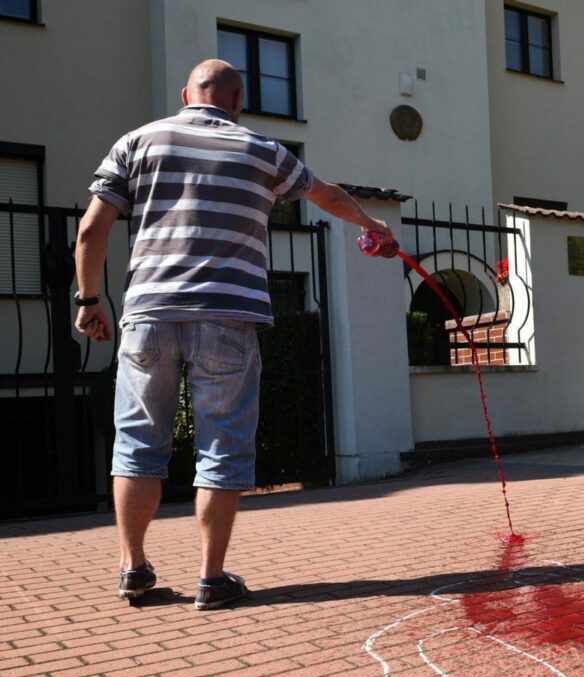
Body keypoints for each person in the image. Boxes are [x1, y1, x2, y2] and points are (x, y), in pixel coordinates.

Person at [72, 60, 396, 608]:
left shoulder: (138, 141)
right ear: (238, 101)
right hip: (229, 317)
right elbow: (327, 195)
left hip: (150, 315)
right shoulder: (263, 151)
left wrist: (88, 301)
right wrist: (372, 224)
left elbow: (90, 229)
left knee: (136, 446)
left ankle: (132, 567)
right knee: (221, 449)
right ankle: (211, 579)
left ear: (185, 95)